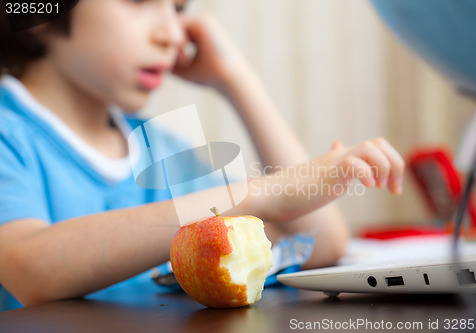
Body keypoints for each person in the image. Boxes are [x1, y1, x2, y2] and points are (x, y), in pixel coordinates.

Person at [0, 0, 404, 310]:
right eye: (140, 1)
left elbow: (320, 241)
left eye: (178, 9)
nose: (174, 35)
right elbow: (28, 267)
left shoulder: (162, 149)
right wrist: (261, 193)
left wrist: (237, 80)